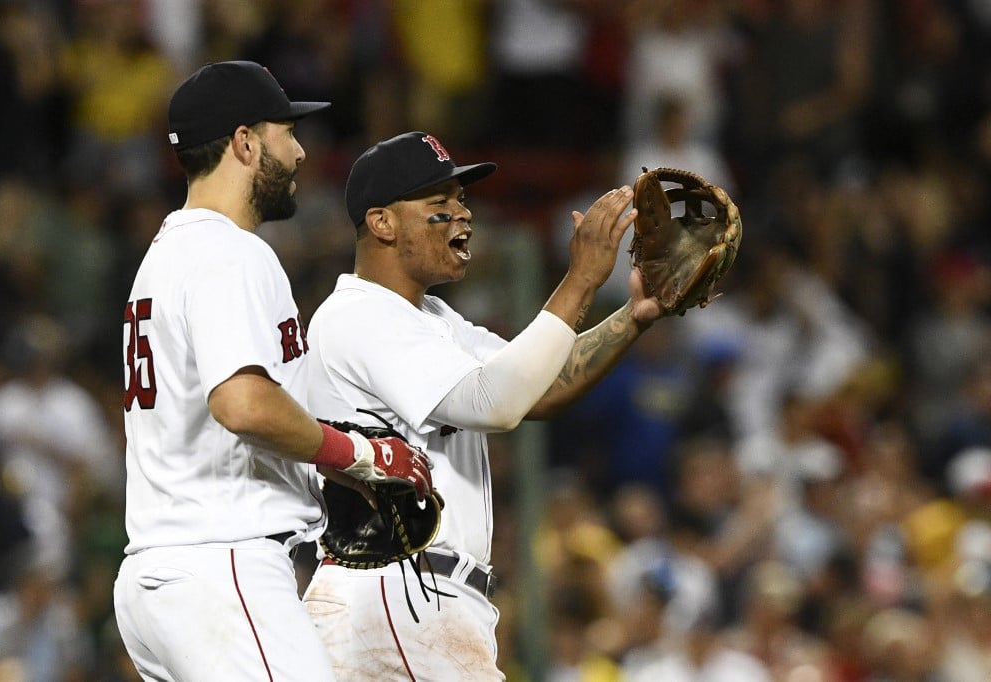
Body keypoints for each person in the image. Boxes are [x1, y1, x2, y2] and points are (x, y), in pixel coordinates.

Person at [301, 130, 665, 680]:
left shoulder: (435, 321)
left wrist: (630, 319)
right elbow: (497, 404)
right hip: (394, 593)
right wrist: (583, 277)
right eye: (439, 205)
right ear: (382, 222)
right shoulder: (357, 314)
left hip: (419, 600)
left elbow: (537, 386)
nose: (462, 216)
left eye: (462, 201)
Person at [112, 61, 433, 682]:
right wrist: (355, 455)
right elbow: (243, 404)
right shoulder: (230, 251)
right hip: (221, 563)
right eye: (286, 132)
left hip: (159, 577)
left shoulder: (163, 258)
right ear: (244, 142)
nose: (301, 150)